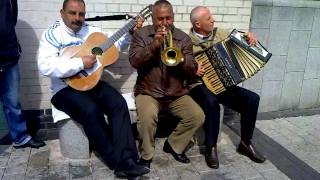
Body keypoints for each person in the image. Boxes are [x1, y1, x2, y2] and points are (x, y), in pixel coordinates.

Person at [37, 0, 149, 178]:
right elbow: (46, 66)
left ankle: (128, 159)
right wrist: (80, 62)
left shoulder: (92, 31)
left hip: (91, 82)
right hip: (64, 89)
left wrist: (129, 33)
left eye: (81, 14)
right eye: (72, 13)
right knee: (91, 110)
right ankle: (116, 162)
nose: (77, 18)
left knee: (117, 103)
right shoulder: (52, 34)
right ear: (62, 13)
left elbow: (114, 47)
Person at [129, 0, 205, 168]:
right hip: (148, 91)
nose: (164, 23)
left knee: (197, 115)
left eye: (168, 18)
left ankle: (174, 145)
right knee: (147, 119)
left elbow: (191, 69)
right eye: (160, 19)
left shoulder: (183, 38)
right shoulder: (141, 35)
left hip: (175, 93)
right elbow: (134, 61)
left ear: (173, 17)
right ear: (153, 19)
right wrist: (153, 46)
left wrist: (181, 58)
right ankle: (146, 155)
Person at [188, 6, 266, 169]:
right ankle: (210, 147)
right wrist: (193, 68)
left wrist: (248, 36)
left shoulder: (221, 33)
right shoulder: (186, 42)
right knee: (211, 103)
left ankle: (245, 143)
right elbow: (181, 66)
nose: (213, 20)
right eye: (209, 18)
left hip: (222, 84)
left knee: (252, 99)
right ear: (197, 24)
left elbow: (240, 38)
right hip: (198, 85)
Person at [0, 0, 45, 149]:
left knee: (12, 102)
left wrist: (14, 48)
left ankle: (20, 138)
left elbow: (10, 21)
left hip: (9, 55)